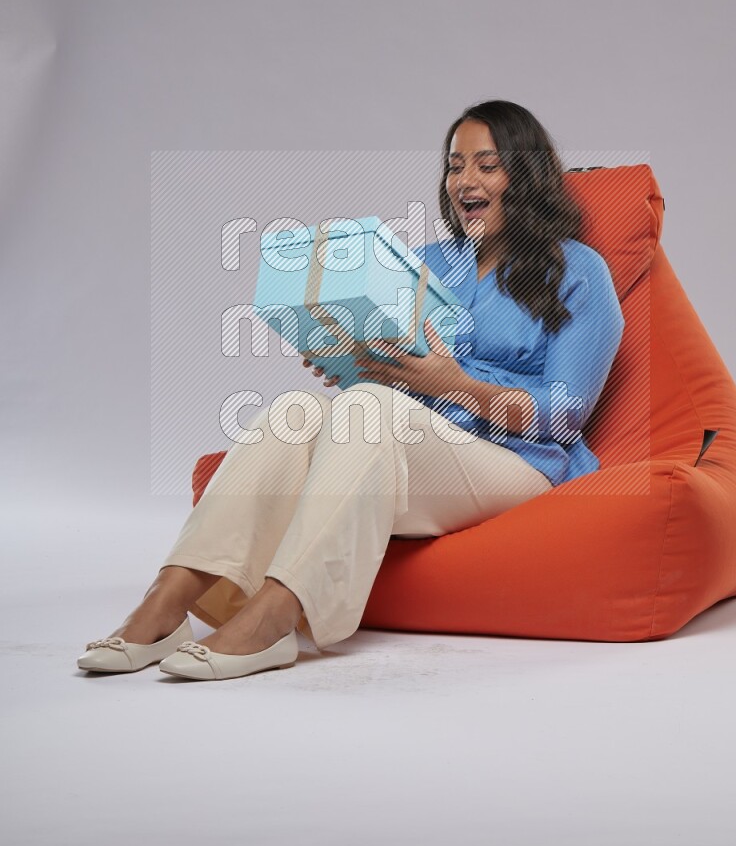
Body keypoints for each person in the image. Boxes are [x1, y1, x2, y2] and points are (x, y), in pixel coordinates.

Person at [76, 100, 625, 681]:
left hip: (520, 463)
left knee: (367, 409)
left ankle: (275, 617)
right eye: (455, 165)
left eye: (487, 165)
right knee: (300, 409)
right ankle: (170, 598)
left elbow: (566, 411)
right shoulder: (426, 262)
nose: (465, 180)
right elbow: (396, 389)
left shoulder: (578, 269)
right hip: (418, 444)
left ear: (527, 175)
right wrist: (352, 361)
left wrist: (459, 387)